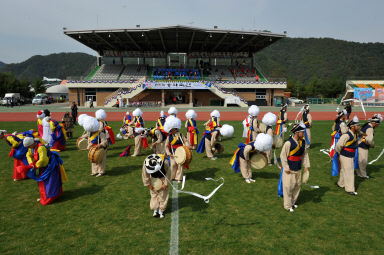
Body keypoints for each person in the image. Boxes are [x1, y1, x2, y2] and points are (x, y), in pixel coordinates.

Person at [23, 137, 67, 205]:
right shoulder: (31, 148)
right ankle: (48, 195)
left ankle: (50, 197)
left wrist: (36, 166)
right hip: (43, 166)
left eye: (28, 146)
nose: (28, 147)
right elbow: (28, 155)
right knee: (44, 182)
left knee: (50, 181)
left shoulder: (41, 148)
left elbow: (44, 160)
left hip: (50, 165)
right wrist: (31, 163)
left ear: (32, 143)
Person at [279, 123, 310, 212]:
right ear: (297, 132)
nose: (303, 134)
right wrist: (286, 167)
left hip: (298, 167)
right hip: (289, 169)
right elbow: (283, 156)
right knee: (288, 187)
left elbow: (304, 155)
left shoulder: (303, 142)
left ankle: (292, 202)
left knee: (297, 186)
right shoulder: (288, 143)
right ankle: (287, 205)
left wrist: (306, 166)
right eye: (302, 132)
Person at [336, 116, 360, 195]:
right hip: (346, 155)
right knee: (349, 172)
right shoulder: (347, 135)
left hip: (349, 155)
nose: (358, 127)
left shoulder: (354, 134)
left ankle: (341, 183)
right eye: (357, 125)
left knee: (343, 170)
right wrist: (340, 153)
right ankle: (350, 189)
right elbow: (339, 145)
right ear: (352, 127)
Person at [142, 154, 171, 218]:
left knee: (163, 194)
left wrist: (165, 183)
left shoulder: (165, 162)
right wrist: (148, 184)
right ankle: (155, 209)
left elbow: (169, 172)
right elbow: (145, 174)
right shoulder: (146, 163)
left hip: (163, 178)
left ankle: (161, 210)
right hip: (153, 179)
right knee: (153, 194)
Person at [164, 116, 190, 182]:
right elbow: (166, 146)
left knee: (180, 165)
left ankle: (179, 178)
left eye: (172, 129)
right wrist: (168, 152)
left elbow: (186, 141)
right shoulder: (168, 137)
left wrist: (187, 146)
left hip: (181, 152)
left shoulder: (181, 135)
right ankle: (172, 177)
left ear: (175, 129)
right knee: (172, 165)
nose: (171, 131)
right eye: (171, 130)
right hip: (173, 152)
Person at [356, 114, 382, 178]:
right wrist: (372, 145)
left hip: (358, 144)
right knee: (363, 162)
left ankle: (359, 173)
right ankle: (363, 175)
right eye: (378, 124)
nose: (377, 126)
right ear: (375, 123)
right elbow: (369, 140)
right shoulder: (370, 129)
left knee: (359, 161)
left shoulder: (366, 125)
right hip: (363, 146)